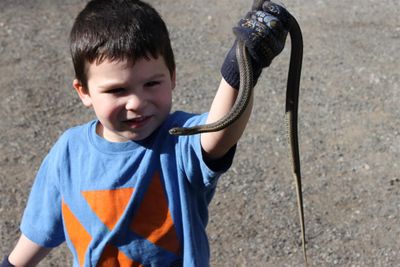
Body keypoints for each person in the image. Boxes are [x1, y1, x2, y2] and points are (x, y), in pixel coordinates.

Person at [1, 0, 290, 266]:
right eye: (117, 90)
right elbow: (40, 230)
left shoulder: (177, 141)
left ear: (173, 76)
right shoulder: (67, 153)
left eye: (152, 83)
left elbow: (219, 133)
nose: (137, 102)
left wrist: (243, 63)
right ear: (84, 91)